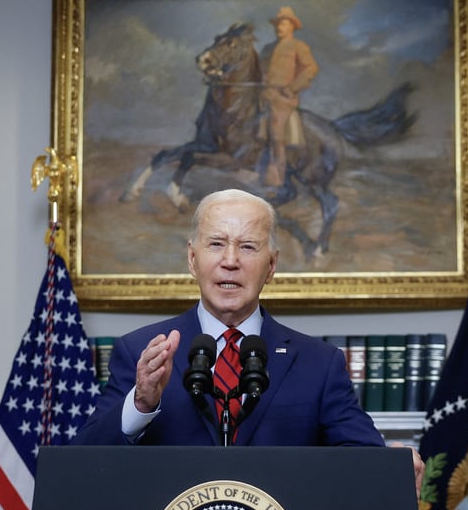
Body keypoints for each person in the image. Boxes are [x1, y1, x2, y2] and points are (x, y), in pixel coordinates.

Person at [72, 189, 423, 486]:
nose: (230, 261)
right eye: (216, 244)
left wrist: (392, 464)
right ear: (193, 260)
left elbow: (363, 459)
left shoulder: (319, 363)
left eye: (248, 247)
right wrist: (141, 404)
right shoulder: (140, 351)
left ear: (271, 266)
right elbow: (84, 465)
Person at [259, 6, 319, 188]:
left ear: (292, 26)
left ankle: (278, 178)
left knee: (276, 133)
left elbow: (311, 68)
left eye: (283, 24)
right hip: (263, 96)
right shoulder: (267, 49)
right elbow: (260, 72)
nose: (279, 27)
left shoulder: (298, 47)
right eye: (277, 24)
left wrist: (293, 87)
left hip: (283, 99)